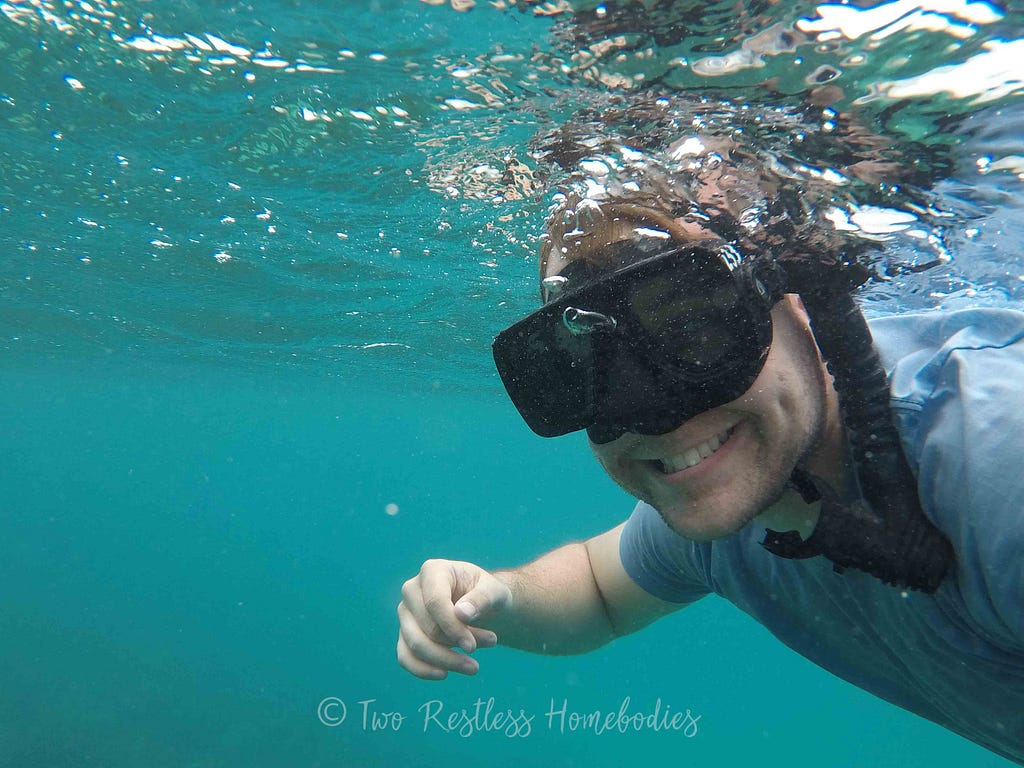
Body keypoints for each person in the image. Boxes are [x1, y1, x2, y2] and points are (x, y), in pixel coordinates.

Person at [396, 95, 1024, 764]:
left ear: (806, 305)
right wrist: (496, 598)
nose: (659, 414)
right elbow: (600, 591)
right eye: (588, 371)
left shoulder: (994, 465)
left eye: (696, 333)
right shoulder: (735, 498)